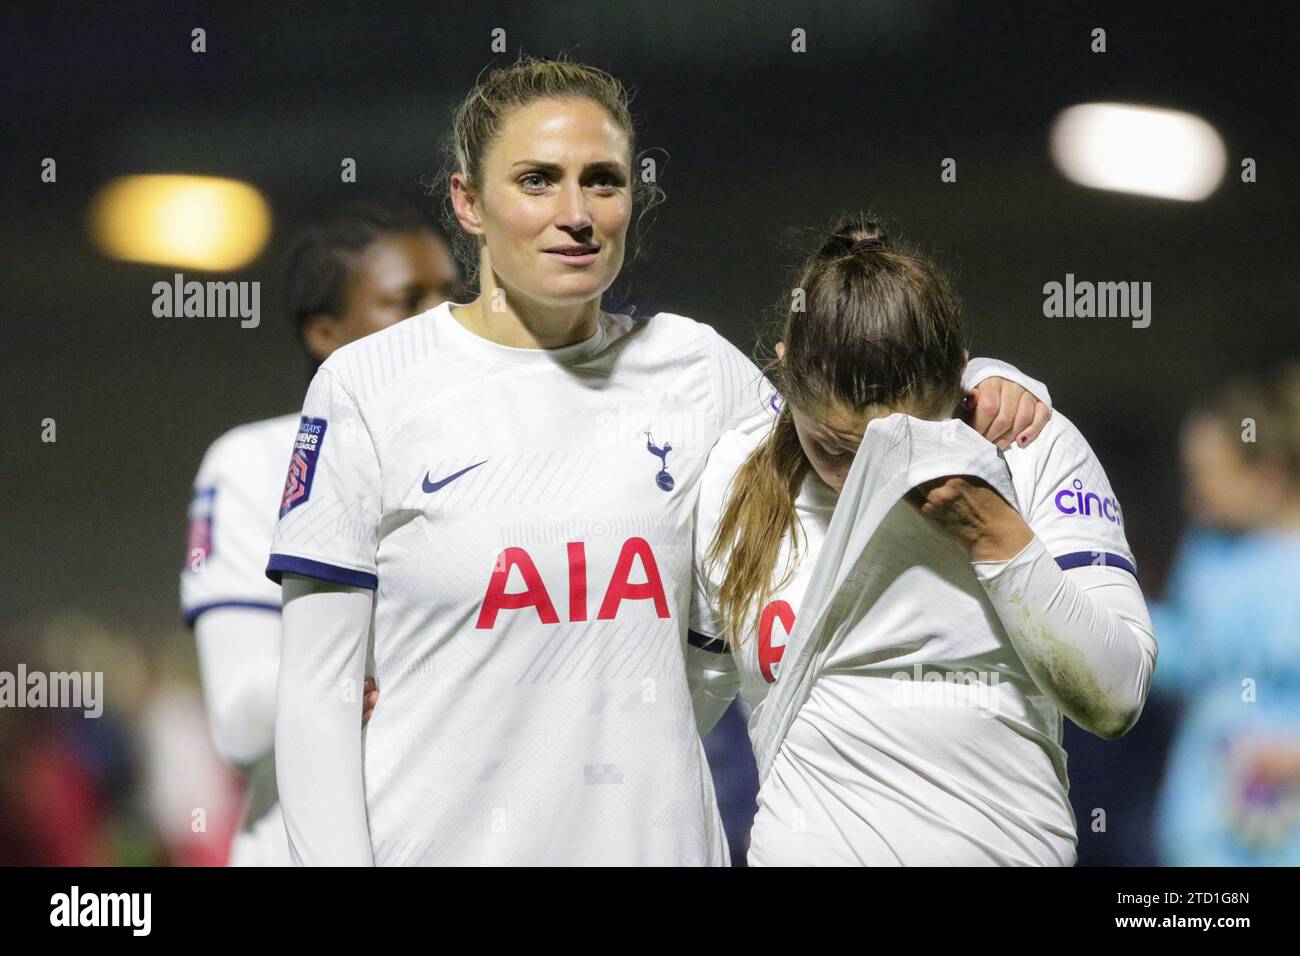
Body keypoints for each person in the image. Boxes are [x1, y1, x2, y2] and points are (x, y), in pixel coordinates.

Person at [267, 56, 1051, 866]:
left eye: (602, 181)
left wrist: (980, 383)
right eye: (537, 180)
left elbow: (853, 436)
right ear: (467, 201)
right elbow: (317, 692)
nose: (575, 212)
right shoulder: (368, 386)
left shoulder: (700, 370)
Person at [689, 216, 1158, 865]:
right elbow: (675, 716)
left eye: (897, 445)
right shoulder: (734, 481)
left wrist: (996, 536)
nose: (862, 480)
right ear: (786, 368)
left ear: (960, 379)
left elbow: (1117, 697)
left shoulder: (1027, 451)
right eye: (834, 448)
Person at [180, 200, 462, 865]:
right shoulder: (253, 464)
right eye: (407, 300)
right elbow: (239, 726)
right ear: (326, 334)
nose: (441, 323)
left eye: (452, 295)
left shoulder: (508, 466)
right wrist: (345, 667)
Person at [1151, 365, 1300, 865]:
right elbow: (1185, 652)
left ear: (1268, 474)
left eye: (1206, 477)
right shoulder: (1207, 551)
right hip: (1201, 825)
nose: (1192, 497)